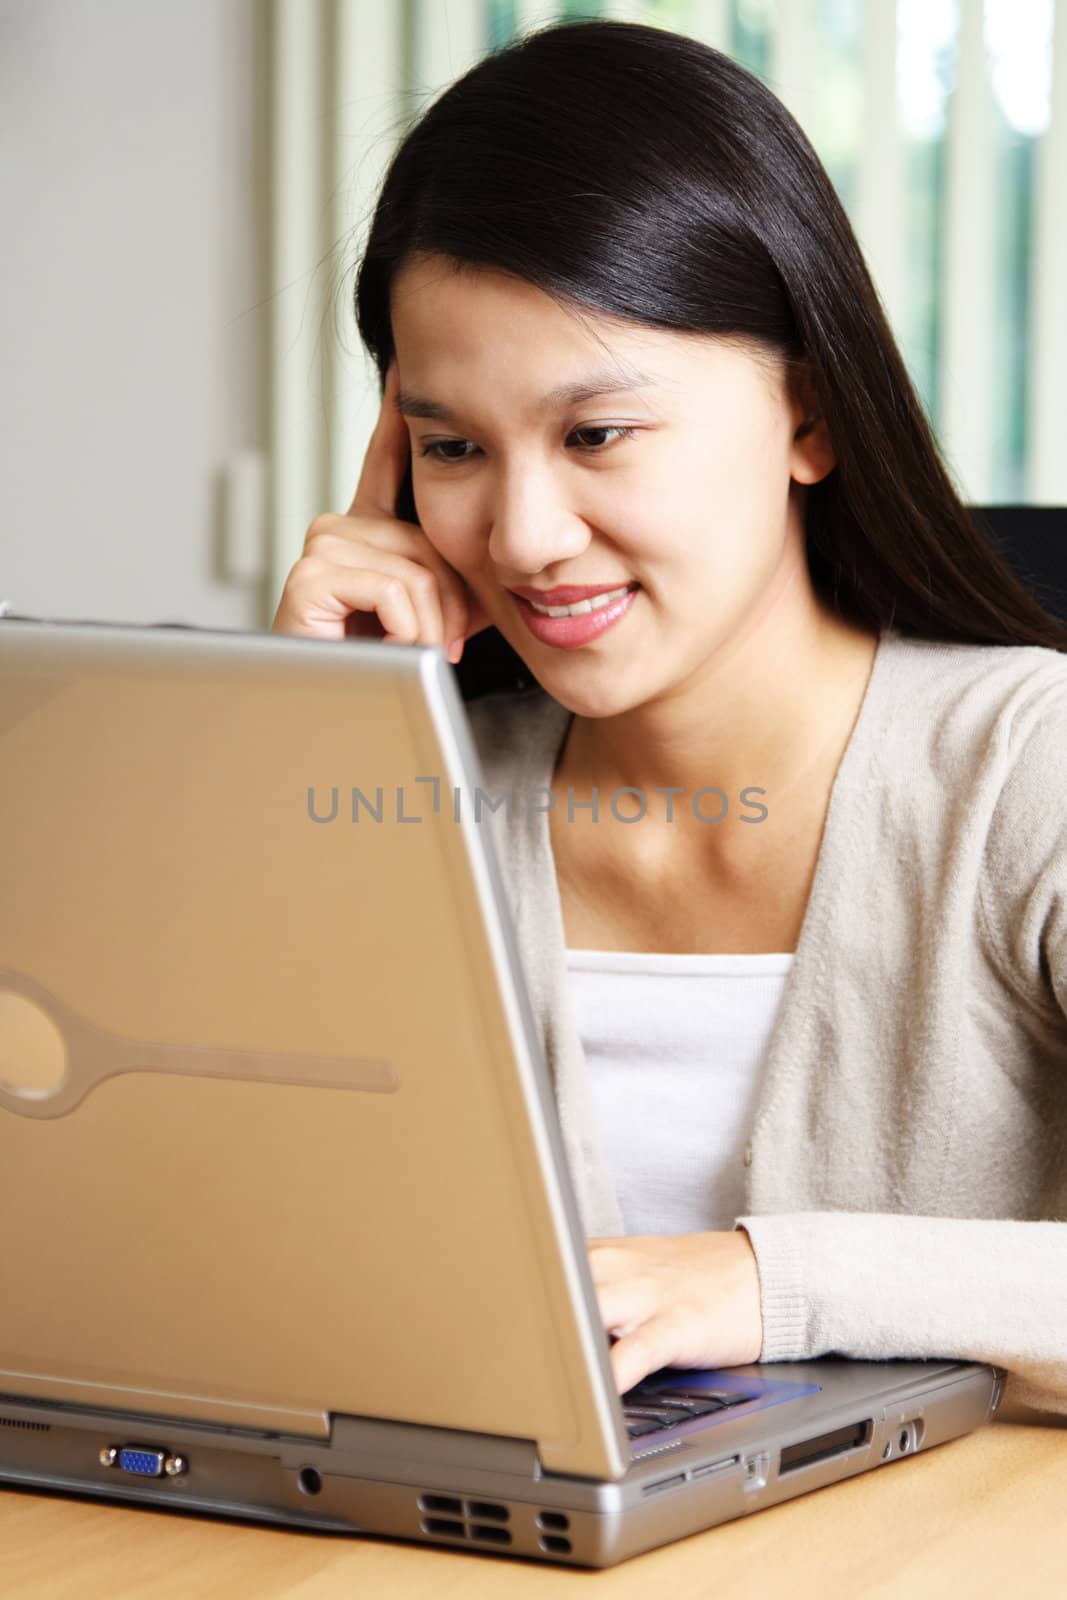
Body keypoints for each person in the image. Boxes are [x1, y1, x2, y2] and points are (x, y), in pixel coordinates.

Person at [271, 20, 1067, 1411]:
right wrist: (315, 741)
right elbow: (219, 1248)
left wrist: (763, 1284)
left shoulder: (1025, 770)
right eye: (453, 447)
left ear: (808, 416)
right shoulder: (419, 797)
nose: (521, 537)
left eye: (596, 435)